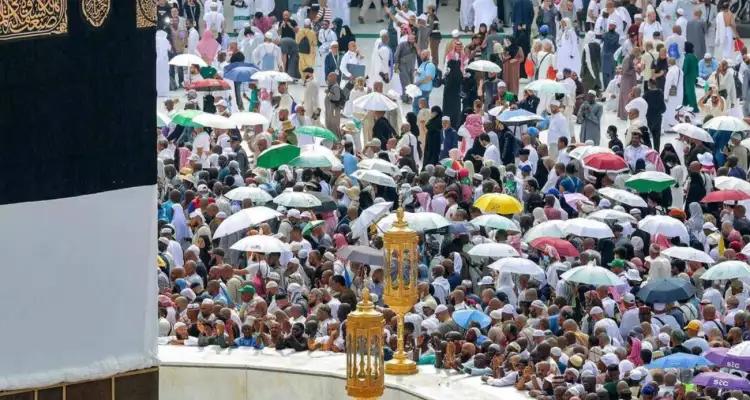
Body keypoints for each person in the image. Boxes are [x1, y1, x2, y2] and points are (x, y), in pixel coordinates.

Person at [662, 57, 684, 132]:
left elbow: (667, 85)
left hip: (672, 95)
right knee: (677, 109)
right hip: (679, 93)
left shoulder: (671, 71)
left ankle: (670, 125)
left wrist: (665, 96)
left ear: (669, 63)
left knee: (670, 109)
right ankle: (676, 123)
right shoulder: (680, 70)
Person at [682, 42, 699, 110]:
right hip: (693, 76)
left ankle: (694, 108)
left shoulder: (687, 57)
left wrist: (682, 74)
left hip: (687, 77)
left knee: (689, 92)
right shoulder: (694, 56)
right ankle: (687, 105)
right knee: (690, 91)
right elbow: (697, 68)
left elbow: (685, 69)